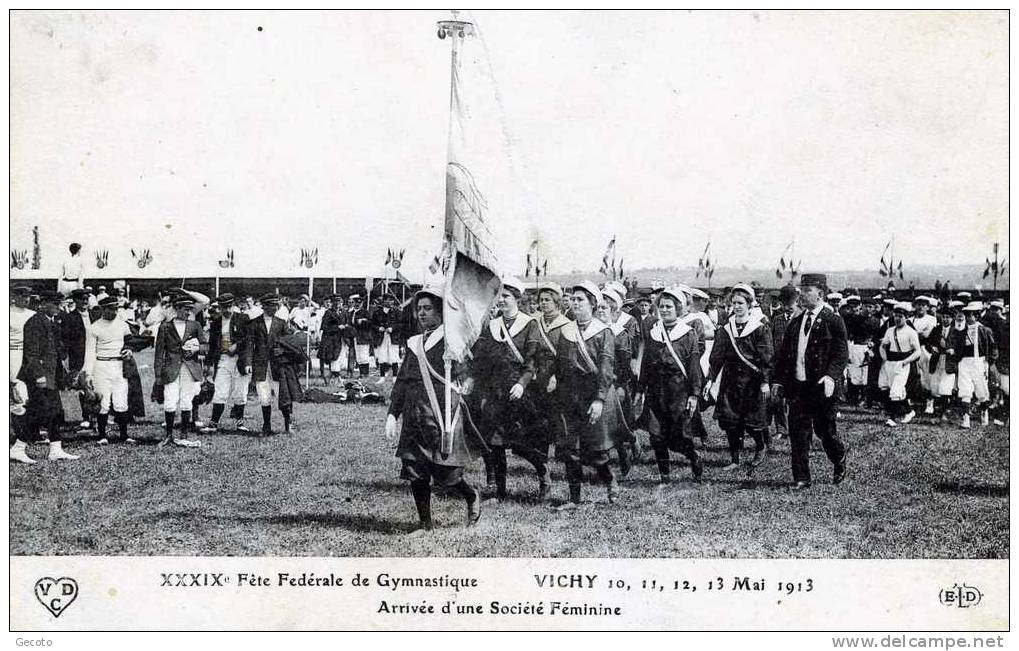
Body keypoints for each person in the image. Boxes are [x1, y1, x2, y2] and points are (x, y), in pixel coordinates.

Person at [384, 284, 485, 534]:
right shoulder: (414, 343)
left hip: (443, 414)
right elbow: (402, 381)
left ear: (441, 312)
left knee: (446, 474)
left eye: (427, 308)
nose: (421, 313)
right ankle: (425, 524)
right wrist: (392, 415)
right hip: (414, 414)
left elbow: (468, 373)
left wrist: (468, 384)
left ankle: (471, 495)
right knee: (415, 469)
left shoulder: (453, 339)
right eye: (419, 309)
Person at [471, 276, 549, 501]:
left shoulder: (529, 324)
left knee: (522, 444)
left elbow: (533, 360)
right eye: (499, 296)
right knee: (495, 443)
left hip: (520, 392)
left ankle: (544, 476)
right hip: (496, 392)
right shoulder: (493, 325)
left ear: (517, 298)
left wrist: (522, 383)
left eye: (506, 296)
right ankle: (500, 491)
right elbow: (482, 358)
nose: (501, 300)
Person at [772, 273, 849, 489]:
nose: (802, 295)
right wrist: (778, 380)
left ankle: (839, 457)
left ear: (820, 294)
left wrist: (831, 376)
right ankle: (802, 477)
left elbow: (841, 353)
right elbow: (785, 355)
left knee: (825, 431)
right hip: (799, 387)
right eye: (801, 290)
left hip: (822, 387)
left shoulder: (833, 320)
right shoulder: (796, 322)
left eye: (807, 291)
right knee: (798, 432)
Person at [553, 282, 621, 508]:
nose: (575, 303)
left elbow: (606, 368)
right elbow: (560, 364)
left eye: (580, 300)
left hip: (593, 395)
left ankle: (610, 480)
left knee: (595, 449)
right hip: (568, 396)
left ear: (593, 303)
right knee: (570, 448)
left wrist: (600, 399)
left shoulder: (604, 332)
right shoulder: (566, 331)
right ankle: (574, 498)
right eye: (572, 299)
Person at [635, 287, 704, 484]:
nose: (664, 310)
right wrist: (640, 390)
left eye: (669, 307)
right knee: (656, 435)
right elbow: (647, 364)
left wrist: (694, 394)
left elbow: (693, 366)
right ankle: (664, 475)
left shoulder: (688, 333)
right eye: (662, 306)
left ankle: (693, 457)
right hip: (657, 392)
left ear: (678, 309)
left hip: (679, 392)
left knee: (679, 436)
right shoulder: (653, 333)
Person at [705, 283, 773, 470]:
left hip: (752, 381)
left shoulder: (759, 328)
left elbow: (767, 358)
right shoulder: (726, 329)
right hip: (730, 381)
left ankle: (760, 447)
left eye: (741, 303)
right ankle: (734, 459)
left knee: (752, 420)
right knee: (730, 420)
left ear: (750, 305)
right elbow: (716, 357)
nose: (737, 306)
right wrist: (710, 379)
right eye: (734, 303)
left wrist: (766, 381)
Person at [19, 291, 78, 460]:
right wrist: (38, 375)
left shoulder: (51, 322)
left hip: (51, 376)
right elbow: (31, 353)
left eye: (59, 304)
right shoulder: (35, 323)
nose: (58, 308)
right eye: (54, 304)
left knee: (55, 412)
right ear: (43, 303)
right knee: (38, 413)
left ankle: (55, 449)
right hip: (39, 377)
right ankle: (18, 447)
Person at [153, 296, 207, 447]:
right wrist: (158, 375)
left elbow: (205, 346)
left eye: (190, 309)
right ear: (177, 309)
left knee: (186, 400)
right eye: (185, 309)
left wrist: (196, 349)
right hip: (171, 368)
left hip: (190, 368)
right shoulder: (165, 327)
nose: (188, 312)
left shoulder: (195, 325)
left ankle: (184, 434)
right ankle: (169, 435)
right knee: (170, 400)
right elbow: (159, 353)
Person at [597, 285, 638, 475]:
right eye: (598, 307)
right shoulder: (593, 330)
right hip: (596, 384)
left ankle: (624, 453)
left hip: (615, 385)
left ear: (613, 310)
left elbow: (625, 363)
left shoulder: (620, 333)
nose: (600, 311)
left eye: (605, 307)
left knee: (616, 424)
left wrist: (621, 385)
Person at [82, 296, 135, 444]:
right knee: (103, 402)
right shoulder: (94, 327)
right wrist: (88, 374)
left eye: (116, 308)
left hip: (119, 365)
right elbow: (90, 352)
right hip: (102, 365)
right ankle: (102, 435)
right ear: (103, 309)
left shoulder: (123, 325)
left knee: (121, 400)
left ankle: (124, 435)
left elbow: (129, 341)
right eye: (111, 308)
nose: (114, 311)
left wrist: (128, 350)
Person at [201, 294, 252, 433]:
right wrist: (208, 363)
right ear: (220, 308)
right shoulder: (216, 322)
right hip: (223, 359)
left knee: (240, 391)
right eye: (224, 307)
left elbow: (249, 339)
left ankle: (240, 423)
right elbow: (212, 345)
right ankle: (213, 423)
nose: (227, 310)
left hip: (240, 359)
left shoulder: (243, 319)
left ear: (233, 305)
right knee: (220, 390)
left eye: (229, 306)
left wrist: (236, 345)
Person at [249, 293, 294, 435]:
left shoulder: (281, 323)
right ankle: (266, 425)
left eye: (276, 305)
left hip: (278, 365)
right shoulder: (255, 323)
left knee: (283, 393)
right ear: (264, 306)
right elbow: (249, 345)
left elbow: (289, 343)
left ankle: (288, 424)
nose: (274, 308)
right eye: (271, 305)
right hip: (260, 364)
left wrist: (282, 351)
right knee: (264, 395)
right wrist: (248, 363)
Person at [950, 302, 996, 429]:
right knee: (965, 390)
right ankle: (966, 419)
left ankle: (984, 411)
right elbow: (956, 344)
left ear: (976, 315)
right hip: (964, 362)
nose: (968, 318)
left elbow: (993, 348)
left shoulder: (984, 330)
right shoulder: (960, 330)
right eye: (967, 315)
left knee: (981, 391)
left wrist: (988, 362)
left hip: (979, 361)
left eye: (971, 315)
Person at [878, 302, 922, 427]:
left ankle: (892, 418)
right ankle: (909, 411)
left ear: (906, 317)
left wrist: (905, 361)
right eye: (895, 316)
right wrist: (885, 359)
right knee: (895, 389)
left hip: (903, 363)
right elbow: (883, 346)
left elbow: (917, 351)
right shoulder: (890, 331)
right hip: (890, 362)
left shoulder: (911, 332)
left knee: (896, 389)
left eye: (900, 316)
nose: (897, 319)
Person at [768, 284, 799, 439]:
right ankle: (781, 429)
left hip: (796, 365)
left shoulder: (802, 318)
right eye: (785, 304)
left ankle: (796, 430)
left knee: (795, 400)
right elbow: (771, 341)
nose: (787, 307)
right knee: (777, 399)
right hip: (779, 365)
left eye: (790, 303)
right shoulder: (777, 320)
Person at [10, 286, 37, 463]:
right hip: (11, 353)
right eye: (22, 295)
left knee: (24, 400)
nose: (26, 299)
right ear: (14, 297)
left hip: (28, 357)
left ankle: (18, 445)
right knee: (15, 397)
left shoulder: (33, 315)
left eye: (28, 296)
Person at [925, 306, 959, 422]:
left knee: (946, 387)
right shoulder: (936, 329)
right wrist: (932, 348)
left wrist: (953, 351)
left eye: (948, 317)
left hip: (949, 361)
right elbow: (928, 343)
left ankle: (943, 413)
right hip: (937, 359)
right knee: (935, 386)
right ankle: (936, 412)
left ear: (953, 318)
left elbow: (961, 348)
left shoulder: (957, 331)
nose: (945, 320)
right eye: (943, 317)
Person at [910, 296, 938, 414]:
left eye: (923, 305)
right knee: (912, 375)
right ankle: (910, 401)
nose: (921, 307)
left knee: (926, 376)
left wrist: (914, 333)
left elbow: (926, 335)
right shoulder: (910, 319)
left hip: (924, 349)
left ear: (927, 307)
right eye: (918, 304)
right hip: (911, 350)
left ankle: (929, 402)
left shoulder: (931, 319)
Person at [371, 292, 405, 382]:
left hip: (393, 337)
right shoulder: (377, 312)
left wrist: (392, 328)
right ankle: (382, 377)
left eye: (392, 300)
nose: (392, 302)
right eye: (389, 300)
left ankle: (395, 377)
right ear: (384, 300)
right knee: (382, 357)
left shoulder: (397, 312)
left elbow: (401, 324)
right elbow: (372, 324)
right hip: (381, 337)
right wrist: (379, 328)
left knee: (394, 356)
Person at [317, 295, 347, 384]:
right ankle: (336, 378)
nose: (338, 304)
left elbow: (347, 322)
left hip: (341, 338)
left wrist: (346, 327)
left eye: (339, 301)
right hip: (330, 339)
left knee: (340, 358)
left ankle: (334, 378)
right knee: (334, 358)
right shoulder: (328, 313)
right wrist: (337, 327)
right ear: (333, 303)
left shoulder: (343, 313)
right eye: (336, 302)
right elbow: (324, 327)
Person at [347, 294, 372, 378]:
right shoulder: (351, 313)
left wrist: (363, 321)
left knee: (364, 354)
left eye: (359, 303)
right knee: (358, 356)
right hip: (355, 336)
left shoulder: (365, 312)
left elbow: (370, 323)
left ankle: (366, 373)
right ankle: (362, 373)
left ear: (362, 303)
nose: (357, 304)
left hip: (363, 336)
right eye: (355, 303)